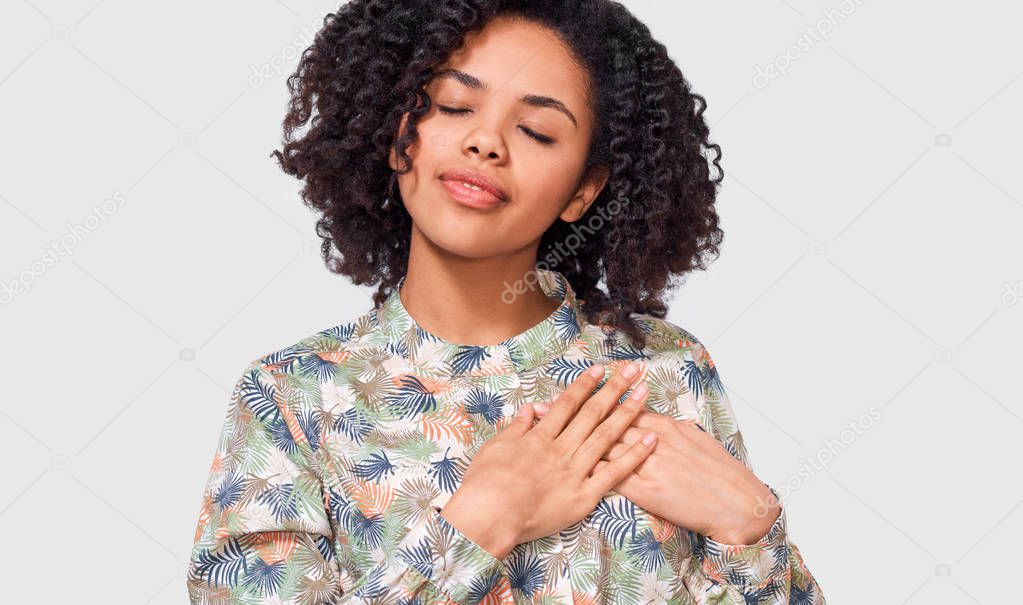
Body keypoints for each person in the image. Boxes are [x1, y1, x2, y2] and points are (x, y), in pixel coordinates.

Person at [186, 1, 826, 603]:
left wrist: (752, 528)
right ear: (396, 133)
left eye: (537, 131)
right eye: (454, 106)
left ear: (582, 192)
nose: (486, 142)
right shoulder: (290, 399)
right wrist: (479, 524)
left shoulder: (662, 373)